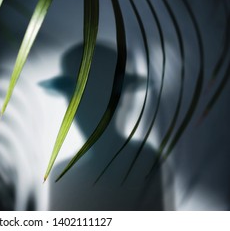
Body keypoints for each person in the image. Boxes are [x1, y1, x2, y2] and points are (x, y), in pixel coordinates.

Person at [41, 42, 164, 210]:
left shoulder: (143, 163)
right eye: (74, 100)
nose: (81, 110)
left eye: (94, 98)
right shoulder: (63, 176)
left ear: (117, 101)